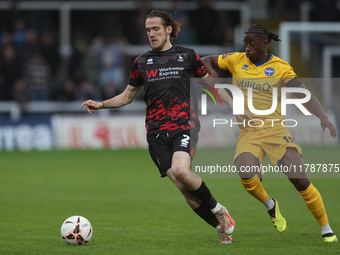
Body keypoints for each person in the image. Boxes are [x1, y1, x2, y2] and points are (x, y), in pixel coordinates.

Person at [81, 9, 235, 244]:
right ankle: (219, 227)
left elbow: (212, 84)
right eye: (148, 30)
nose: (151, 34)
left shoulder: (187, 56)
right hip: (155, 133)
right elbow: (127, 96)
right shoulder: (141, 62)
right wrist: (100, 104)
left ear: (169, 30)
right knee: (183, 188)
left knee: (182, 172)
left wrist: (235, 106)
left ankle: (219, 209)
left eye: (155, 29)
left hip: (184, 124)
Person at [201, 24, 338, 243]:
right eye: (245, 43)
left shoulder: (281, 67)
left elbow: (304, 94)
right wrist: (213, 72)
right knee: (247, 174)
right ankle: (270, 205)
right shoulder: (236, 59)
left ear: (265, 44)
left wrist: (323, 117)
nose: (247, 48)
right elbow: (205, 60)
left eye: (251, 44)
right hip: (249, 133)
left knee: (300, 180)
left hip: (276, 132)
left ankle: (326, 229)